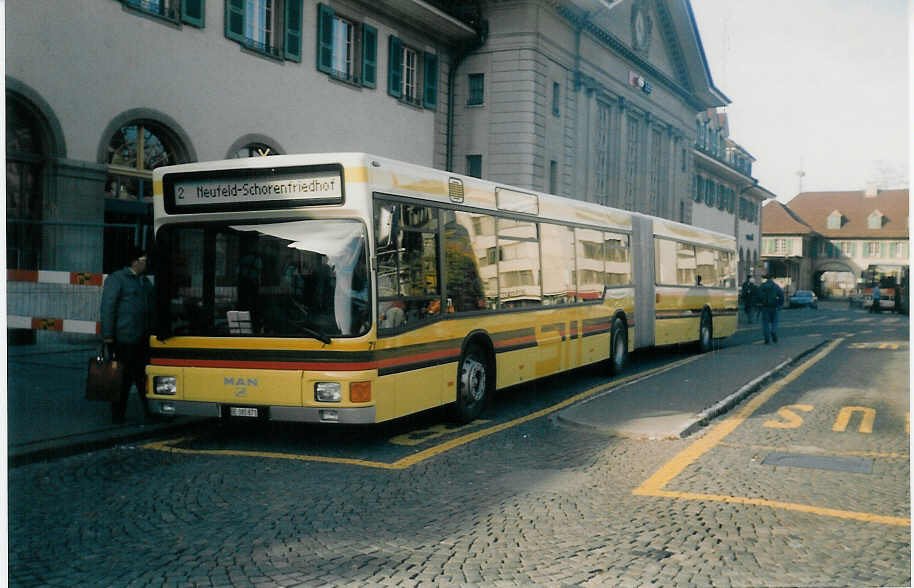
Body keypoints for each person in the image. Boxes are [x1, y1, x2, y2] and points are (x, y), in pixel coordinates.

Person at [100, 245, 155, 424]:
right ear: (134, 261)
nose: (146, 264)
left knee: (142, 377)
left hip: (142, 338)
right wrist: (108, 335)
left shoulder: (145, 282)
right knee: (121, 379)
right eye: (144, 260)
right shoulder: (117, 279)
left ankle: (151, 412)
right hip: (123, 337)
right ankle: (117, 415)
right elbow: (108, 308)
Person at [758, 274, 784, 344]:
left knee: (765, 323)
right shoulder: (776, 286)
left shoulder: (762, 286)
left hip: (765, 307)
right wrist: (779, 305)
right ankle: (773, 331)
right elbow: (781, 295)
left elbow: (758, 295)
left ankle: (767, 338)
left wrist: (760, 303)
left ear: (766, 278)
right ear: (772, 278)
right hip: (774, 306)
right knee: (775, 322)